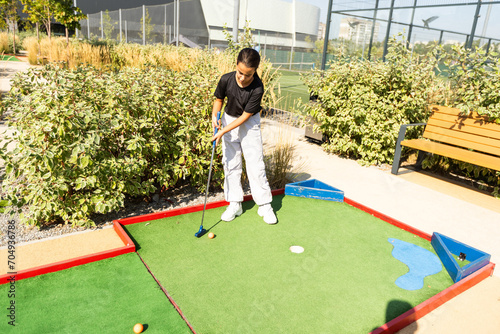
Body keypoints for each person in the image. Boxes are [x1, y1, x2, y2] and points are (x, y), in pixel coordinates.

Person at [210, 48, 277, 224]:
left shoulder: (257, 87)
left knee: (255, 163)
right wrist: (214, 118)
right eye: (240, 72)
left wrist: (223, 131)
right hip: (228, 118)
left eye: (248, 75)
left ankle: (264, 205)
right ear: (236, 66)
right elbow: (218, 101)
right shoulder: (226, 79)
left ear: (255, 71)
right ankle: (235, 203)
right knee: (231, 162)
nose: (242, 77)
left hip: (248, 122)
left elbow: (245, 117)